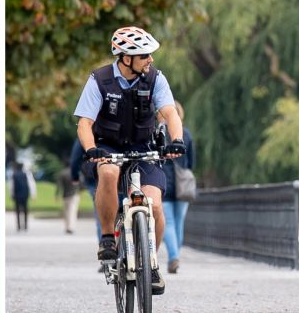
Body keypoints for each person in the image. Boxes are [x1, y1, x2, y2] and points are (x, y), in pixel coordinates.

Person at [74, 26, 186, 295]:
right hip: (107, 146)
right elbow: (85, 123)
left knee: (155, 206)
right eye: (145, 55)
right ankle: (106, 238)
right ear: (126, 58)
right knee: (109, 173)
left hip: (143, 147)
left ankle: (151, 263)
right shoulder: (99, 80)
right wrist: (91, 150)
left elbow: (170, 113)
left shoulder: (156, 79)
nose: (150, 60)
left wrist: (177, 140)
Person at [161, 100, 195, 274]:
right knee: (179, 222)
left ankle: (173, 256)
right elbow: (191, 163)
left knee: (169, 223)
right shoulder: (186, 134)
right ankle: (176, 255)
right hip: (182, 185)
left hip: (165, 183)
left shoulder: (159, 134)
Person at [9, 161, 36, 231]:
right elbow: (31, 184)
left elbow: (11, 186)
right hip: (25, 194)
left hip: (17, 194)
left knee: (17, 210)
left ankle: (18, 226)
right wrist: (33, 194)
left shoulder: (14, 174)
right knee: (25, 210)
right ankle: (25, 225)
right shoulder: (27, 174)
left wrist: (11, 194)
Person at [55, 161, 80, 234]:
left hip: (65, 195)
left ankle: (67, 227)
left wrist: (57, 195)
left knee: (66, 212)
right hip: (74, 195)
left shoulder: (62, 173)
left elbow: (59, 186)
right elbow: (80, 183)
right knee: (72, 212)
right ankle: (71, 227)